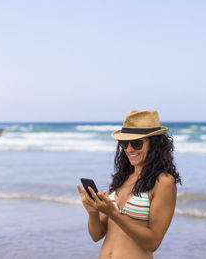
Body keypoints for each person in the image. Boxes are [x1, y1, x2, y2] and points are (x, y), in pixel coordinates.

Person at [77, 110, 181, 259]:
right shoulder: (121, 178)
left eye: (137, 143)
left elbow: (153, 242)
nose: (129, 149)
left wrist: (113, 213)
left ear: (155, 144)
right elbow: (97, 235)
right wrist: (93, 213)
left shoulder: (164, 181)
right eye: (124, 144)